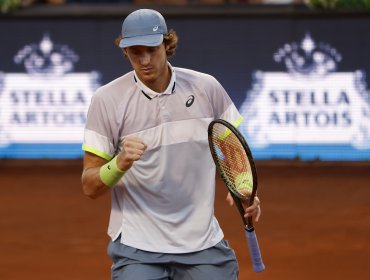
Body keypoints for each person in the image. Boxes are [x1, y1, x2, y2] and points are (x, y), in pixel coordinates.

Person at [81, 8, 261, 280]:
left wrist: (243, 189)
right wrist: (118, 163)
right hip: (137, 246)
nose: (144, 60)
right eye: (135, 51)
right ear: (125, 52)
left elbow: (233, 153)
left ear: (167, 44)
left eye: (151, 49)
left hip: (201, 242)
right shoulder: (106, 100)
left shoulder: (206, 88)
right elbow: (90, 185)